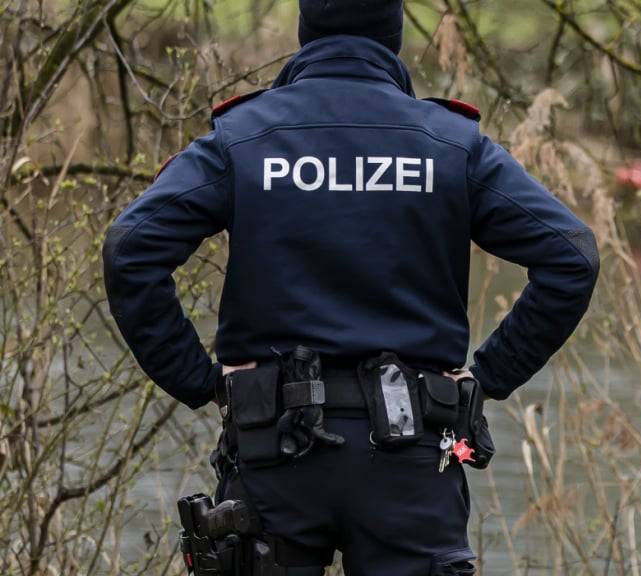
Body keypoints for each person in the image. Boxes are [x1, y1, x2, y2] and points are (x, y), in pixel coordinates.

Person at [101, 1, 600, 574]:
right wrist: (487, 379)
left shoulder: (243, 137)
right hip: (410, 465)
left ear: (304, 31)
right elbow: (572, 256)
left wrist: (200, 380)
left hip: (273, 455)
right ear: (395, 38)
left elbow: (129, 249)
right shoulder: (452, 145)